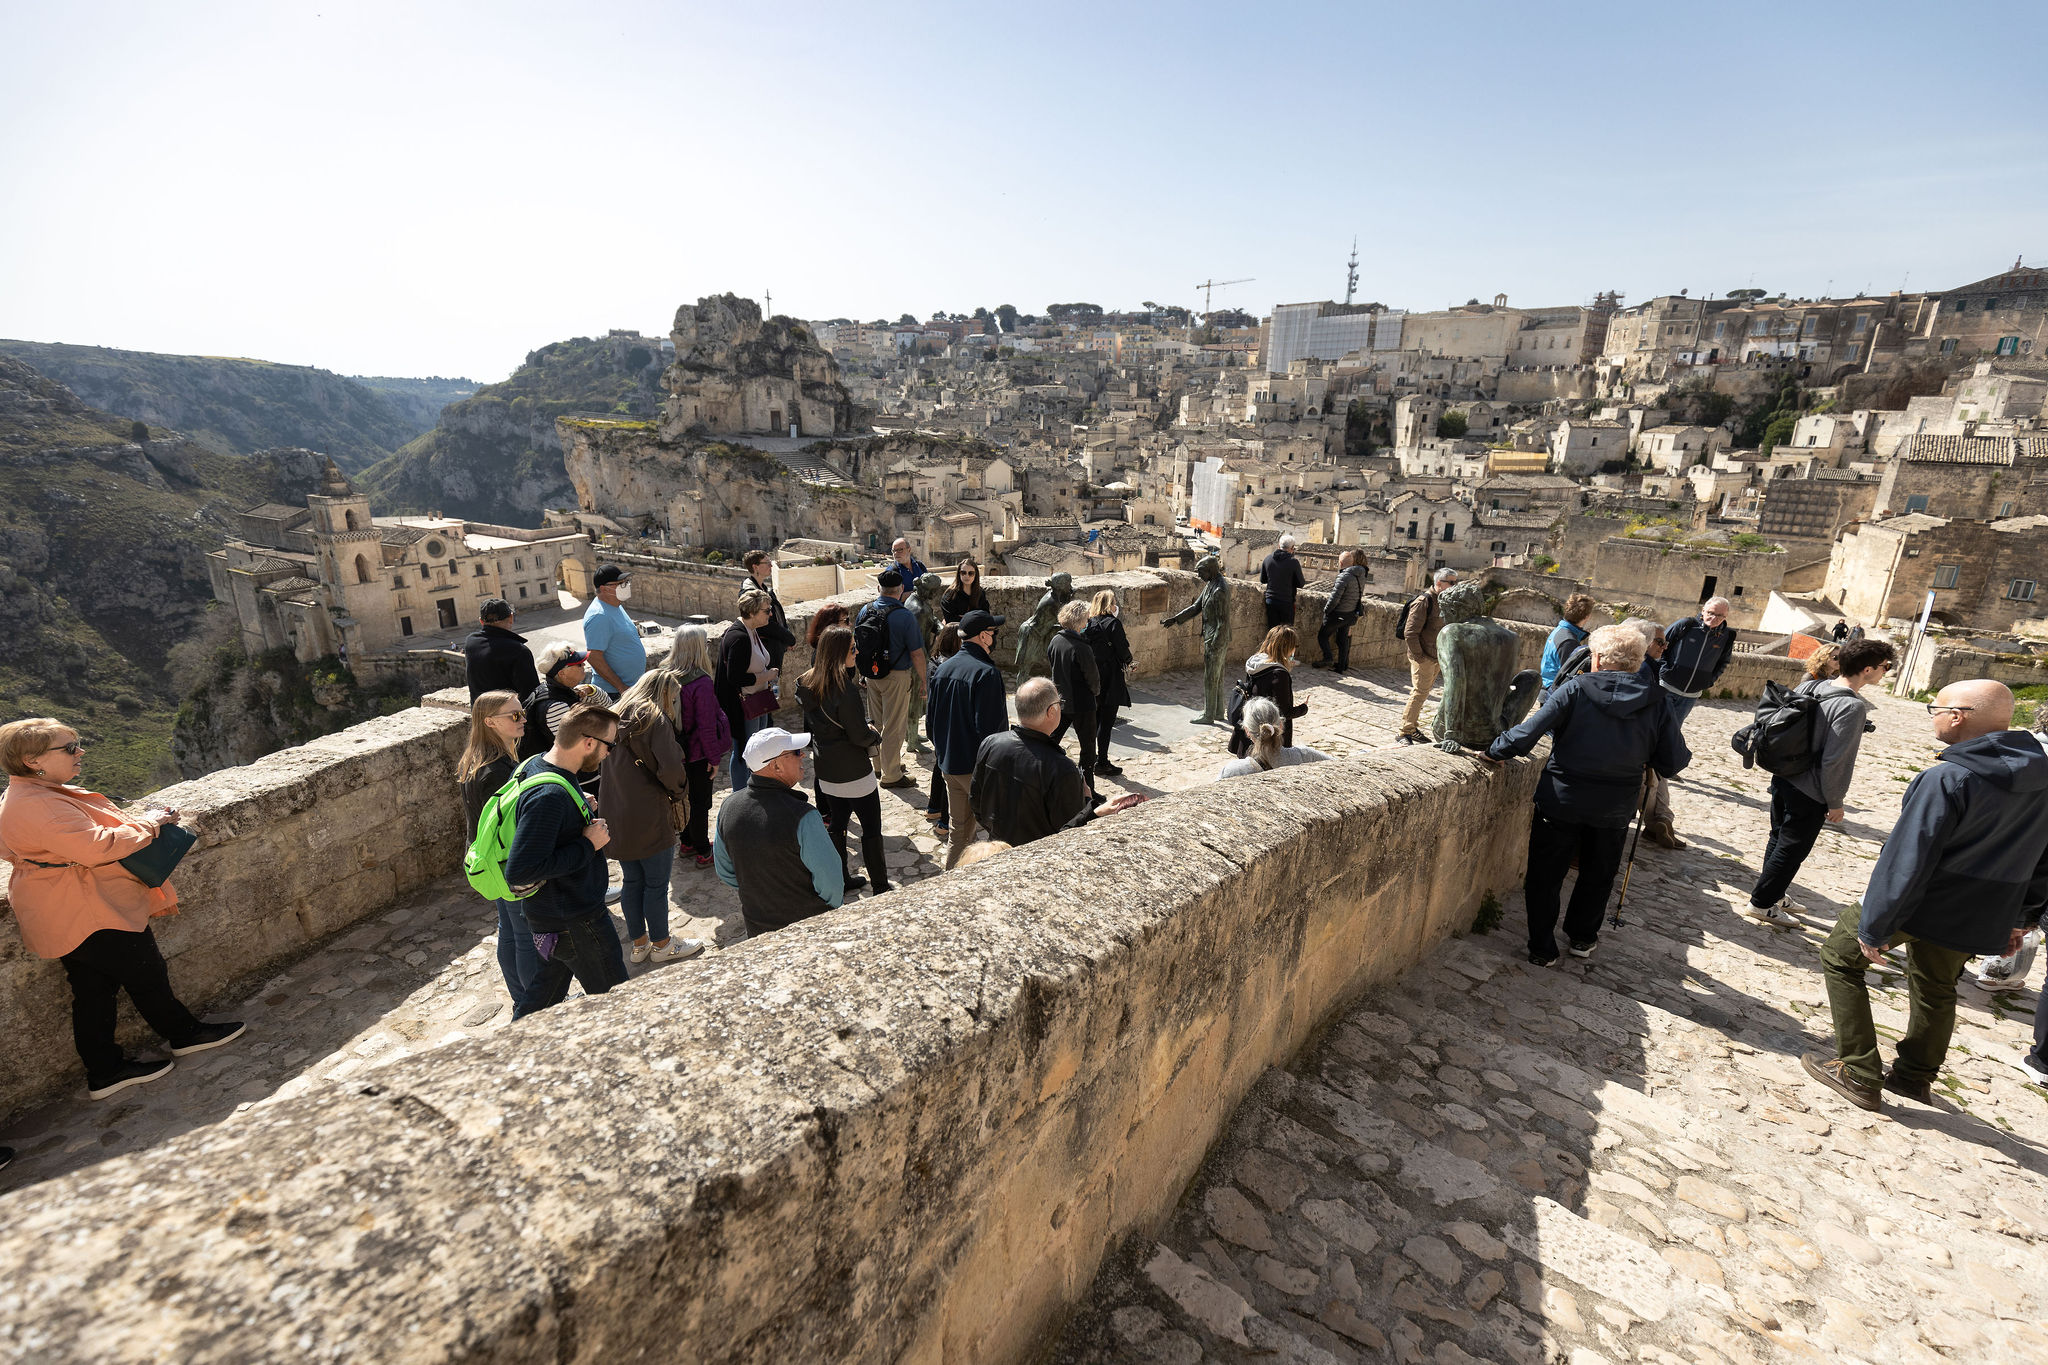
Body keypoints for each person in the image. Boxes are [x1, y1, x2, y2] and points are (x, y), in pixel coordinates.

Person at [1805, 680, 2048, 1110]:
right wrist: (2022, 919)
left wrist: (1875, 925)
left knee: (1840, 956)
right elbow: (2044, 859)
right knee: (1937, 986)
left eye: (1935, 707)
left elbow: (1907, 859)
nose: (1932, 714)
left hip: (1924, 901)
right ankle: (1914, 1077)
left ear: (1958, 716)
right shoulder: (2043, 779)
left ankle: (1858, 1070)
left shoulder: (1947, 778)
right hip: (1981, 910)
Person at [0, 718, 244, 1099]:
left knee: (93, 990)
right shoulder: (39, 805)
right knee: (145, 974)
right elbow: (96, 847)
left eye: (77, 744)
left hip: (58, 907)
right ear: (33, 760)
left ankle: (106, 1071)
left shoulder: (24, 795)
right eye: (69, 748)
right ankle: (185, 1035)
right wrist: (150, 823)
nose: (80, 752)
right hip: (87, 908)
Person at [1486, 623, 1691, 965]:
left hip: (1561, 799)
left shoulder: (1575, 689)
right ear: (1639, 661)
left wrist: (1494, 750)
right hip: (1614, 808)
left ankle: (1541, 946)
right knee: (1598, 875)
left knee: (1545, 875)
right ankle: (1582, 938)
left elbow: (1527, 733)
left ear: (1596, 657)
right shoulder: (1657, 702)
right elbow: (1672, 762)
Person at [1745, 638, 1898, 926]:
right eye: (1885, 667)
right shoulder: (1852, 707)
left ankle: (1774, 894)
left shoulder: (1812, 686)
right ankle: (1762, 903)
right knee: (1792, 848)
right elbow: (1835, 762)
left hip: (1784, 776)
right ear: (1867, 669)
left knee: (1778, 838)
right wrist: (1835, 802)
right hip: (1810, 789)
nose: (1885, 672)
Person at [503, 702, 626, 1014]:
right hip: (575, 920)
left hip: (553, 916)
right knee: (619, 1002)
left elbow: (547, 828)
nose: (610, 752)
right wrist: (588, 844)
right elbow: (521, 870)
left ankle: (509, 1051)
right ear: (588, 743)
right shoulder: (551, 796)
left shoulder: (539, 765)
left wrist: (578, 806)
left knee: (544, 995)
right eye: (609, 745)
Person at [598, 670, 706, 965]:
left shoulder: (613, 715)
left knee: (632, 881)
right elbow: (671, 767)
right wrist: (680, 791)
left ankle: (639, 944)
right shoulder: (654, 719)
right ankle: (662, 944)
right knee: (656, 884)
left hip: (615, 810)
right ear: (663, 693)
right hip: (648, 811)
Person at [971, 677, 1143, 848]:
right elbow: (1071, 833)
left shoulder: (991, 743)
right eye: (1060, 703)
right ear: (1051, 711)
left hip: (998, 844)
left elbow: (976, 801)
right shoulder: (1061, 768)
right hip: (1037, 855)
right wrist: (1087, 801)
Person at [713, 726, 846, 937]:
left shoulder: (728, 807)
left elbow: (725, 871)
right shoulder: (804, 816)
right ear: (775, 766)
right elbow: (832, 884)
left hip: (758, 928)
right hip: (810, 928)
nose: (802, 754)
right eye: (794, 752)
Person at [458, 690, 543, 1016]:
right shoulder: (497, 770)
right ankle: (536, 1005)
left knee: (509, 932)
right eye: (514, 716)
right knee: (524, 937)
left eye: (521, 713)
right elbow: (510, 827)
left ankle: (523, 1000)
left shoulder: (475, 759)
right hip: (505, 862)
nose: (523, 720)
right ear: (490, 721)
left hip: (487, 860)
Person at [797, 625, 890, 896]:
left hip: (827, 770)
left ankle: (841, 878)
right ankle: (881, 887)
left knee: (838, 822)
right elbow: (859, 736)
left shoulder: (806, 684)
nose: (857, 651)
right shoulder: (844, 690)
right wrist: (873, 735)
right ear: (838, 653)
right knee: (871, 828)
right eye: (852, 648)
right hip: (854, 772)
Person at [928, 609, 1010, 868]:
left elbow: (930, 724)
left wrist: (943, 753)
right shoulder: (987, 674)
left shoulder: (943, 669)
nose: (994, 637)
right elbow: (992, 733)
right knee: (1001, 831)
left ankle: (949, 884)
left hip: (949, 764)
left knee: (960, 832)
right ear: (984, 637)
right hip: (975, 770)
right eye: (992, 633)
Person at [663, 625, 730, 867]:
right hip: (697, 754)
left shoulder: (665, 676)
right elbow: (706, 727)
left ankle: (687, 842)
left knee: (682, 798)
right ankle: (703, 850)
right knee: (700, 802)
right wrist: (714, 759)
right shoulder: (700, 682)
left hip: (674, 752)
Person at [1619, 617, 1684, 851]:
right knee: (1653, 778)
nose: (1664, 647)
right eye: (1660, 642)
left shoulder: (1649, 668)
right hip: (1632, 748)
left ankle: (1662, 821)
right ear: (1643, 642)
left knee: (1658, 776)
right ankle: (1659, 821)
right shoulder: (1642, 669)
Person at [859, 569, 928, 789]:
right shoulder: (904, 615)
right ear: (900, 591)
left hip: (871, 674)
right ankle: (891, 775)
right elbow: (917, 653)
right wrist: (924, 681)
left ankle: (879, 766)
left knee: (877, 723)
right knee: (894, 727)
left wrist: (863, 672)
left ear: (879, 588)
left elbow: (859, 645)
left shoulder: (865, 610)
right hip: (896, 676)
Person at [715, 590, 781, 790]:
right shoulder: (739, 637)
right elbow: (734, 678)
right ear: (752, 612)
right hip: (743, 705)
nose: (770, 614)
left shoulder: (751, 631)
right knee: (744, 751)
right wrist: (767, 676)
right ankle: (740, 796)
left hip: (756, 700)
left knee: (756, 749)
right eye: (766, 610)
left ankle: (753, 789)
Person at [1396, 568, 1459, 745]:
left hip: (1435, 657)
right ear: (1439, 583)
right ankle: (1404, 731)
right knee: (1419, 692)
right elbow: (1410, 632)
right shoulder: (1424, 601)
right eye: (1451, 582)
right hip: (1423, 657)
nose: (1455, 586)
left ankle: (1412, 727)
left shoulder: (1443, 601)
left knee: (1423, 693)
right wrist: (1420, 657)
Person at [1046, 599, 1101, 790]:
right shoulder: (1081, 647)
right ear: (1079, 621)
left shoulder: (1056, 640)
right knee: (1088, 751)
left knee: (1050, 740)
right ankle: (1088, 790)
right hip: (1082, 704)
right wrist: (1096, 693)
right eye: (1086, 619)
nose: (1088, 623)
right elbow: (1092, 678)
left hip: (1060, 701)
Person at [1229, 626, 1308, 758]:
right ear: (1287, 647)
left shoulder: (1256, 664)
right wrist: (1303, 708)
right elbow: (1283, 712)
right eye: (1295, 646)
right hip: (1268, 739)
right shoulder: (1279, 674)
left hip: (1251, 728)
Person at [1658, 597, 1736, 726]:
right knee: (1652, 725)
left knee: (1672, 732)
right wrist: (1665, 671)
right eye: (1711, 613)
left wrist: (1707, 681)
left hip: (1691, 696)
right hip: (1666, 688)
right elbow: (1659, 647)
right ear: (1703, 610)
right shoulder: (1686, 625)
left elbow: (1723, 662)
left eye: (1720, 616)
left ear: (1726, 616)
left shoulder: (1727, 636)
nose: (1714, 618)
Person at [1085, 589, 1133, 776]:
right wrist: (1130, 661)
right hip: (1111, 677)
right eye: (1113, 602)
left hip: (1093, 677)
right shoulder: (1113, 624)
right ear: (1109, 605)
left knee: (1094, 721)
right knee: (1106, 722)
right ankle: (1102, 761)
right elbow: (1122, 649)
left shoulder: (1088, 624)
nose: (1115, 606)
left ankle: (1091, 759)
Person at [520, 641, 597, 759]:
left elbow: (608, 705)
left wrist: (591, 690)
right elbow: (577, 746)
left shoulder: (565, 691)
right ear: (562, 673)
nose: (584, 665)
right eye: (579, 664)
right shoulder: (556, 706)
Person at [1219, 697, 1331, 777]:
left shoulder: (1232, 771)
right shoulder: (1306, 756)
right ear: (1281, 726)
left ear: (1247, 731)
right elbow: (1342, 767)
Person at [581, 564, 647, 698]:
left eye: (625, 582)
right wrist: (621, 687)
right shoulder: (599, 616)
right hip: (614, 693)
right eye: (620, 583)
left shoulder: (615, 605)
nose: (625, 586)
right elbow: (593, 657)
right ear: (604, 589)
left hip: (630, 688)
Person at [924, 623, 963, 832]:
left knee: (939, 764)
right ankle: (944, 822)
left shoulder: (934, 661)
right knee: (949, 770)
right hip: (947, 725)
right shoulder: (950, 666)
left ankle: (933, 808)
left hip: (934, 722)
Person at [463, 598, 539, 702]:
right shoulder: (519, 651)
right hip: (509, 716)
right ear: (511, 618)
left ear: (481, 621)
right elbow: (532, 694)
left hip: (480, 715)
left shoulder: (470, 642)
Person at [741, 549, 797, 671]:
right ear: (755, 567)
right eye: (766, 563)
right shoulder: (749, 593)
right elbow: (763, 624)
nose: (771, 565)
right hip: (763, 651)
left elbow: (778, 616)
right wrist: (788, 638)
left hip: (773, 649)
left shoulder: (765, 590)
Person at [1314, 550, 1369, 674]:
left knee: (1322, 635)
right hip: (1351, 614)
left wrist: (1327, 611)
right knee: (1342, 639)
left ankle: (1328, 658)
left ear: (1340, 563)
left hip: (1339, 613)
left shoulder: (1344, 576)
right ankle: (1342, 666)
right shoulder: (1361, 575)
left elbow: (1335, 598)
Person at [1540, 594, 1596, 693]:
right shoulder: (1568, 641)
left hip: (1548, 687)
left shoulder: (1561, 630)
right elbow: (1570, 674)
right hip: (1554, 692)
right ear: (1587, 617)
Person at [1259, 533, 1306, 629]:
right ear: (1292, 548)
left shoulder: (1268, 559)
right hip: (1286, 602)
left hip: (1270, 601)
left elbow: (1262, 580)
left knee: (1273, 631)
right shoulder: (1293, 562)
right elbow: (1301, 584)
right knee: (1286, 634)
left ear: (1279, 546)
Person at [940, 558, 990, 622]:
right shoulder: (950, 594)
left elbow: (986, 614)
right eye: (963, 573)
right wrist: (975, 616)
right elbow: (950, 619)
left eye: (971, 573)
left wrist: (965, 617)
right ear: (959, 574)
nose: (967, 576)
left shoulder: (980, 592)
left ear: (975, 575)